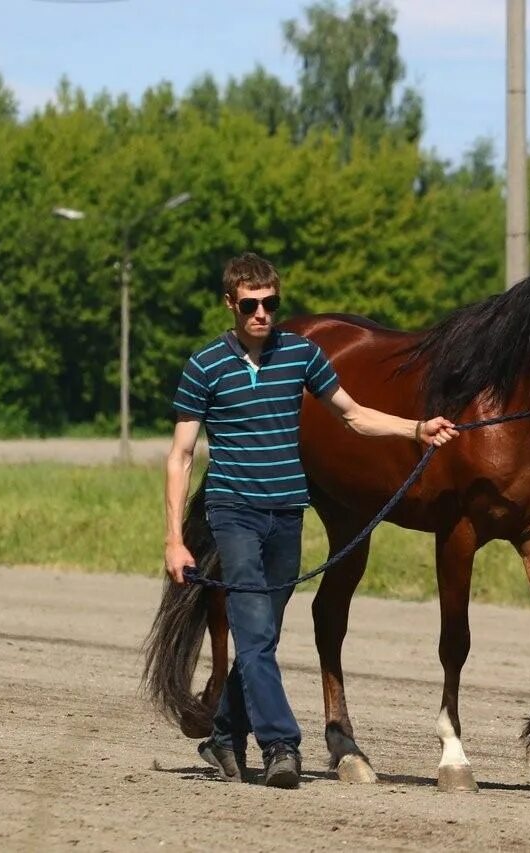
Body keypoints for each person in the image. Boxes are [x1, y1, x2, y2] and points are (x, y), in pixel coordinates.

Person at [163, 252, 458, 789]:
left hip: (287, 513)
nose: (261, 313)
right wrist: (175, 540)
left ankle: (224, 736)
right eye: (250, 304)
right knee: (253, 632)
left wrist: (416, 429)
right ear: (230, 303)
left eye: (270, 303)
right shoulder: (205, 366)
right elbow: (181, 456)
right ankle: (282, 744)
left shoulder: (302, 354)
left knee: (264, 634)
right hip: (233, 513)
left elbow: (354, 414)